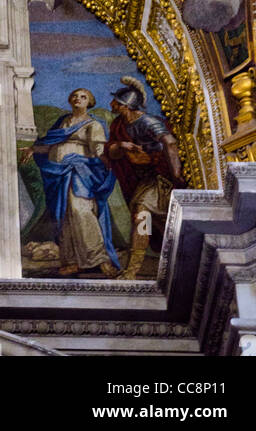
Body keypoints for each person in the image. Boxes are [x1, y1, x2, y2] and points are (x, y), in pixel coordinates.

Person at [20, 87, 120, 277]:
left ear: (89, 102)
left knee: (81, 211)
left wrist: (108, 162)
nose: (78, 99)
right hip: (59, 175)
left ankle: (98, 258)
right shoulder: (63, 122)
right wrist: (34, 149)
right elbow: (50, 145)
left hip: (81, 172)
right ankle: (72, 261)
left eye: (83, 97)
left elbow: (99, 149)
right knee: (65, 215)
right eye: (75, 96)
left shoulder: (93, 125)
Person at [106, 78, 184, 280]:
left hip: (160, 177)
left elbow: (170, 143)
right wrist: (122, 146)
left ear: (125, 105)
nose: (111, 104)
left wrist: (175, 174)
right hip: (145, 179)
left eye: (115, 101)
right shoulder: (120, 124)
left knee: (143, 214)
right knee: (158, 220)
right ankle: (175, 261)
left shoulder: (147, 121)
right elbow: (112, 152)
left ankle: (132, 270)